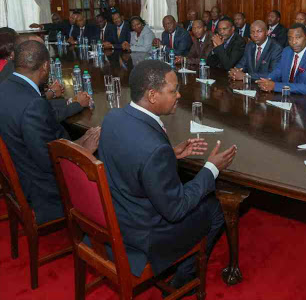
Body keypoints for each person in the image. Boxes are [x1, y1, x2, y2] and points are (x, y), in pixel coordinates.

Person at [98, 60, 237, 290]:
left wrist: (171, 154)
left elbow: (131, 157)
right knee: (215, 206)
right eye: (173, 91)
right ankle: (184, 276)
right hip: (144, 235)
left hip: (116, 213)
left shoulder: (113, 117)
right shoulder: (154, 150)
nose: (179, 95)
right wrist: (211, 169)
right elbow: (176, 209)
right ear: (152, 95)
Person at [0, 40, 100, 225]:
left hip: (20, 175)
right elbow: (49, 162)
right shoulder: (33, 105)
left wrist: (76, 142)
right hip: (44, 192)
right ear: (45, 66)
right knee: (109, 175)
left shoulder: (5, 88)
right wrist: (81, 150)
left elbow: (37, 143)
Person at [256, 23, 306, 102]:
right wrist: (266, 81)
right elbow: (278, 71)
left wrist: (275, 86)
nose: (293, 42)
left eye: (297, 38)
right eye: (290, 38)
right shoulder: (287, 51)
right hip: (289, 98)